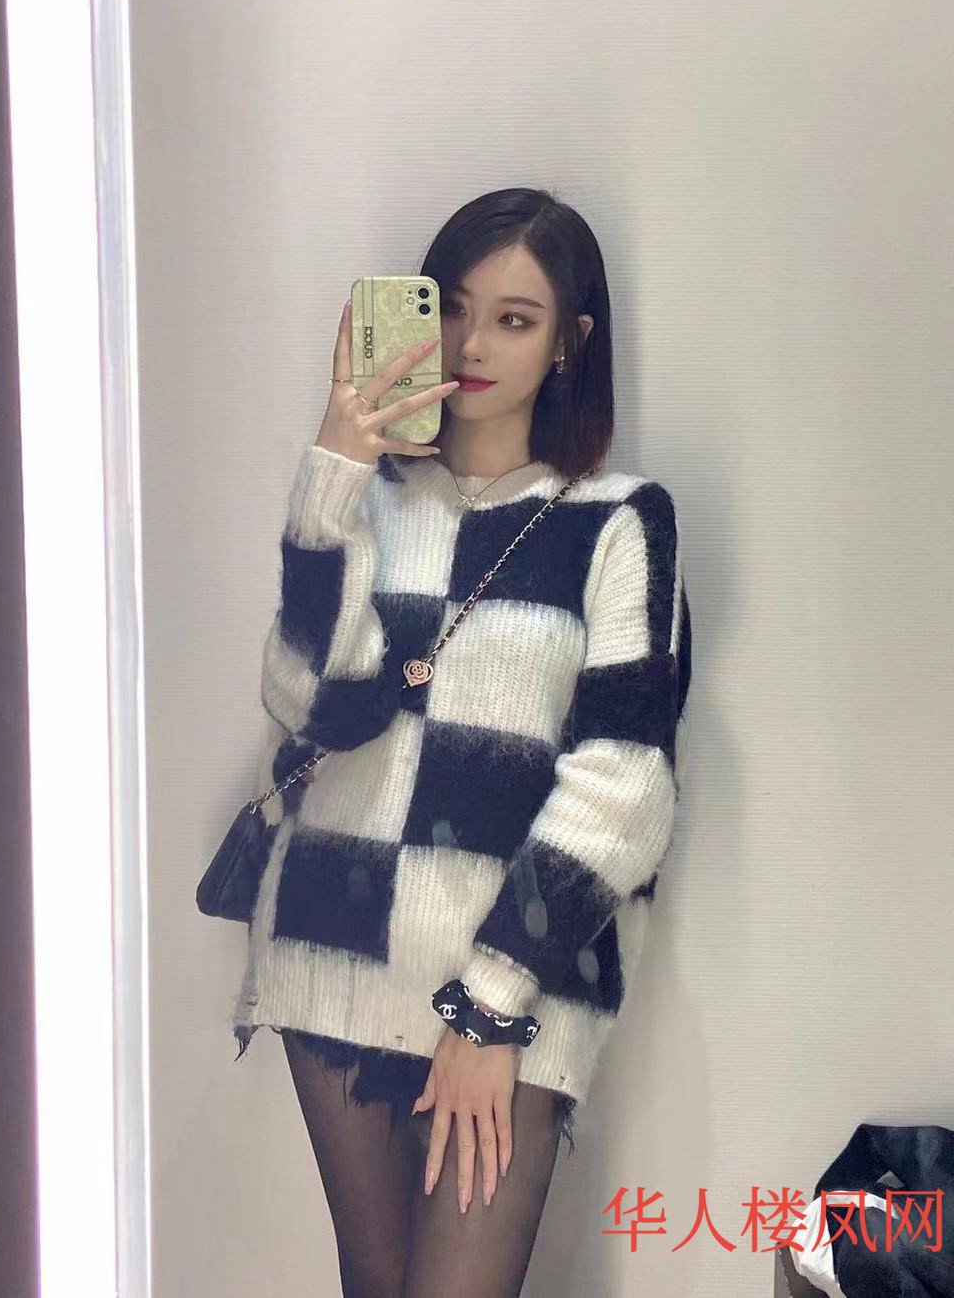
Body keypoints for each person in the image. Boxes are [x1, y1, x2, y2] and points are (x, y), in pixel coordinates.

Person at [223, 186, 693, 1296]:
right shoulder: (369, 502)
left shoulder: (617, 520)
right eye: (454, 308)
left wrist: (488, 1007)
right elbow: (308, 702)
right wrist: (332, 474)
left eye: (515, 319)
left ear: (571, 342)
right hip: (334, 938)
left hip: (513, 981)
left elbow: (623, 784)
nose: (472, 345)